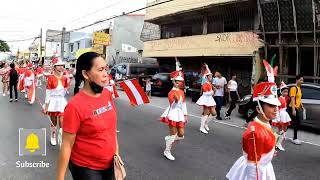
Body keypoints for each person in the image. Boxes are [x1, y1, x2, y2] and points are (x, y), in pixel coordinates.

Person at [57, 52, 119, 180]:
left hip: (111, 164)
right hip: (86, 169)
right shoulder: (74, 106)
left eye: (106, 69)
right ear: (86, 74)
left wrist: (116, 154)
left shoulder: (107, 94)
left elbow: (112, 130)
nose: (105, 74)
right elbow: (67, 145)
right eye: (100, 70)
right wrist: (60, 177)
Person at [226, 82, 280, 180]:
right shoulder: (255, 132)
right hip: (257, 172)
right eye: (271, 106)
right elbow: (252, 167)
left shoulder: (265, 123)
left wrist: (269, 152)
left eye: (276, 106)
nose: (276, 109)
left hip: (264, 168)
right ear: (259, 109)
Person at [160, 61, 187, 161]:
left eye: (181, 81)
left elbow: (183, 104)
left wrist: (185, 114)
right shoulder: (171, 92)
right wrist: (175, 100)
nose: (181, 83)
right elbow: (173, 105)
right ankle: (167, 151)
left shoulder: (181, 91)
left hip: (180, 114)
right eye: (179, 81)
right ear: (175, 82)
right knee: (173, 134)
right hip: (172, 113)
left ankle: (169, 140)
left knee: (181, 135)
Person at [43, 59, 68, 146]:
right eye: (58, 65)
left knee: (62, 121)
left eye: (62, 65)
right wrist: (46, 105)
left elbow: (65, 91)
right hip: (53, 102)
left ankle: (61, 138)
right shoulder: (51, 78)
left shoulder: (65, 78)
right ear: (54, 67)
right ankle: (53, 136)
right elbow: (48, 92)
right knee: (54, 122)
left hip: (61, 102)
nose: (61, 67)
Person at [196, 64, 216, 134]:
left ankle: (205, 123)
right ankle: (201, 127)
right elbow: (206, 93)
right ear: (206, 77)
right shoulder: (205, 84)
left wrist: (212, 91)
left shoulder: (210, 84)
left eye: (211, 76)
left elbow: (211, 93)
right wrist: (212, 91)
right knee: (206, 113)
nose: (211, 77)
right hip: (205, 99)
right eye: (210, 76)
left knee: (213, 113)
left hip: (210, 99)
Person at [271, 81, 291, 151]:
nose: (286, 93)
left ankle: (278, 144)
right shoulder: (279, 99)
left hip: (284, 114)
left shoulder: (284, 98)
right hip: (280, 115)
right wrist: (278, 119)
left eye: (287, 92)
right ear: (281, 92)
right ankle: (273, 142)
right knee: (281, 130)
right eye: (284, 92)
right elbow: (277, 109)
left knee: (283, 130)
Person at [288, 75, 304, 145]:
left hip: (296, 108)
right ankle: (295, 138)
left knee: (291, 123)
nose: (302, 81)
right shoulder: (294, 88)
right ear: (297, 80)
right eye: (300, 80)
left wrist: (302, 107)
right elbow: (292, 99)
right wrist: (293, 110)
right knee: (296, 123)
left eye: (302, 80)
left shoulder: (299, 88)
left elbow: (299, 99)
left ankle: (280, 134)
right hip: (292, 107)